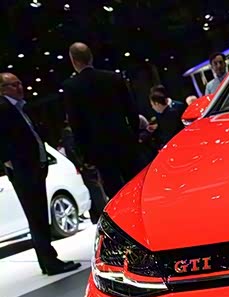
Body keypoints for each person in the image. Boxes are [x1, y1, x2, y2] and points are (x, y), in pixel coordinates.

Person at [0, 73, 80, 276]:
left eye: (19, 82)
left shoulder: (20, 108)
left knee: (40, 217)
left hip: (33, 167)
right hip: (24, 170)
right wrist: (11, 163)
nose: (19, 87)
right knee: (37, 218)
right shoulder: (3, 108)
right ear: (2, 89)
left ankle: (47, 261)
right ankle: (50, 262)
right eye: (13, 85)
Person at [63, 43, 141, 200]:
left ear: (73, 61)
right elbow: (131, 110)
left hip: (99, 149)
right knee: (137, 184)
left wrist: (85, 155)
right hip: (124, 141)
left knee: (115, 193)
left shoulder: (71, 87)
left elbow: (76, 125)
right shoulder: (113, 77)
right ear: (91, 57)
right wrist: (133, 135)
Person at [60, 121, 107, 224]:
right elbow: (71, 150)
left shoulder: (73, 131)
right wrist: (82, 165)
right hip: (84, 166)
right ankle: (103, 213)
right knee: (96, 190)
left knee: (93, 190)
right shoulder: (68, 132)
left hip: (85, 165)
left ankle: (96, 216)